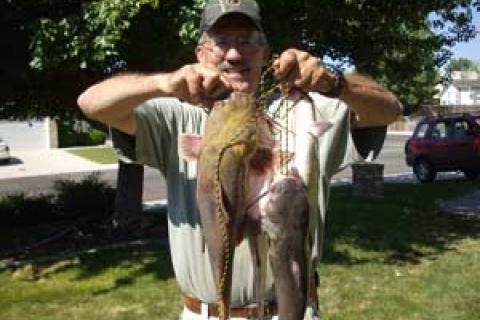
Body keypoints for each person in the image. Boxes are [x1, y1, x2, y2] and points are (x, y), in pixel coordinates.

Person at [77, 0, 403, 319]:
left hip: (290, 310)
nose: (234, 54)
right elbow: (92, 104)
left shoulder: (305, 110)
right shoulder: (176, 116)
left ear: (265, 52)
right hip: (205, 313)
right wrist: (161, 83)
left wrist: (335, 83)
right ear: (200, 54)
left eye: (246, 41)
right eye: (221, 42)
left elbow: (388, 111)